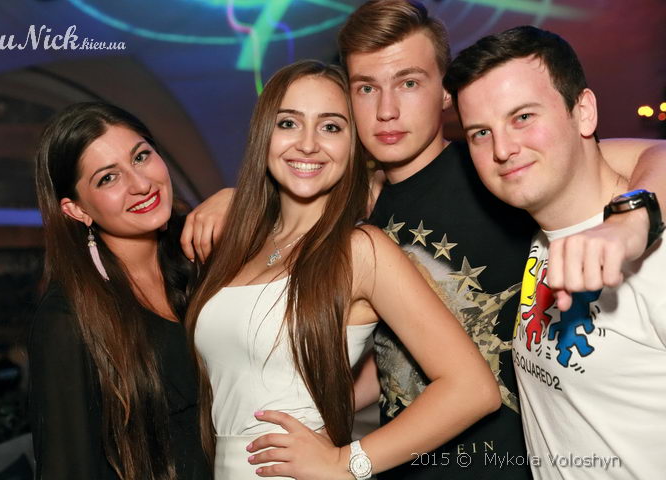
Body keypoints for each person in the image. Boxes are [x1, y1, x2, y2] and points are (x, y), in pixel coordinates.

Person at [181, 2, 666, 479]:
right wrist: (243, 199)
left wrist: (632, 219)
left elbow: (641, 154)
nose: (387, 110)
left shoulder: (494, 167)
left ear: (446, 93)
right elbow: (392, 355)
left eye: (409, 83)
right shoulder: (361, 212)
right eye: (366, 88)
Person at [187, 59, 501, 480]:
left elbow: (473, 389)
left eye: (331, 127)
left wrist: (348, 462)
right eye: (288, 123)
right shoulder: (239, 248)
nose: (308, 144)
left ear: (353, 145)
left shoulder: (361, 251)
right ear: (264, 135)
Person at [443, 25, 666, 480]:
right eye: (481, 132)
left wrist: (630, 222)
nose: (503, 149)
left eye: (523, 117)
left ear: (583, 112)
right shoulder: (544, 227)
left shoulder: (653, 256)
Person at [29, 102, 209, 480]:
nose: (141, 184)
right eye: (108, 178)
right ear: (77, 210)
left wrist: (234, 201)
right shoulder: (67, 318)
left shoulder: (201, 259)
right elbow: (67, 469)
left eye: (141, 156)